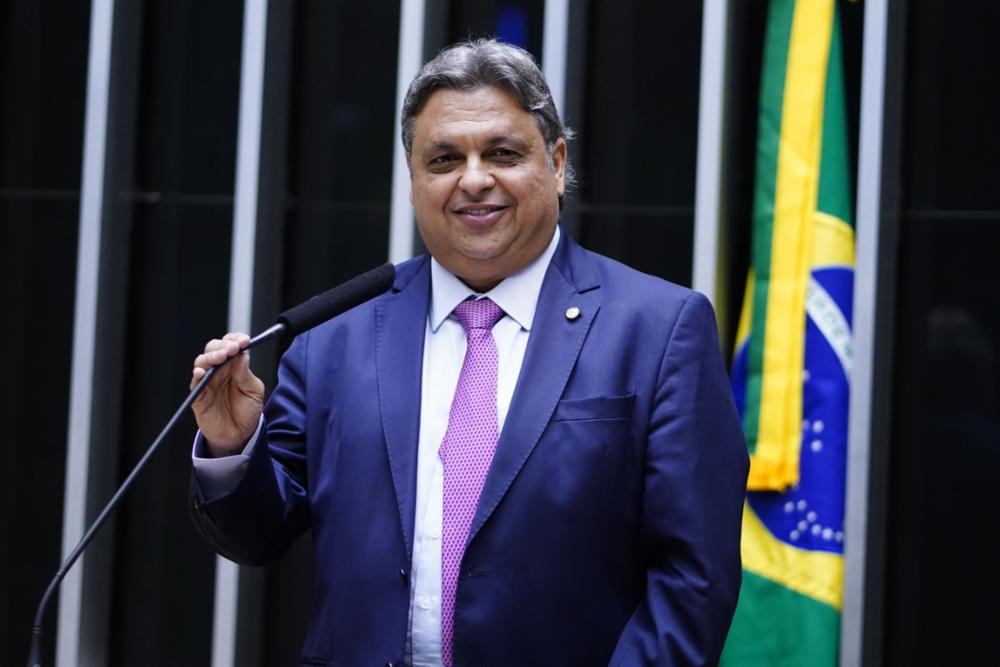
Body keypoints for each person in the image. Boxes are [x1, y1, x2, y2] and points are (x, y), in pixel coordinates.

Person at [189, 39, 748, 667]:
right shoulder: (335, 334)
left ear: (557, 163)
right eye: (444, 159)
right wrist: (232, 448)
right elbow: (259, 536)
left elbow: (692, 580)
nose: (475, 179)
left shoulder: (659, 329)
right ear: (413, 179)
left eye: (503, 154)